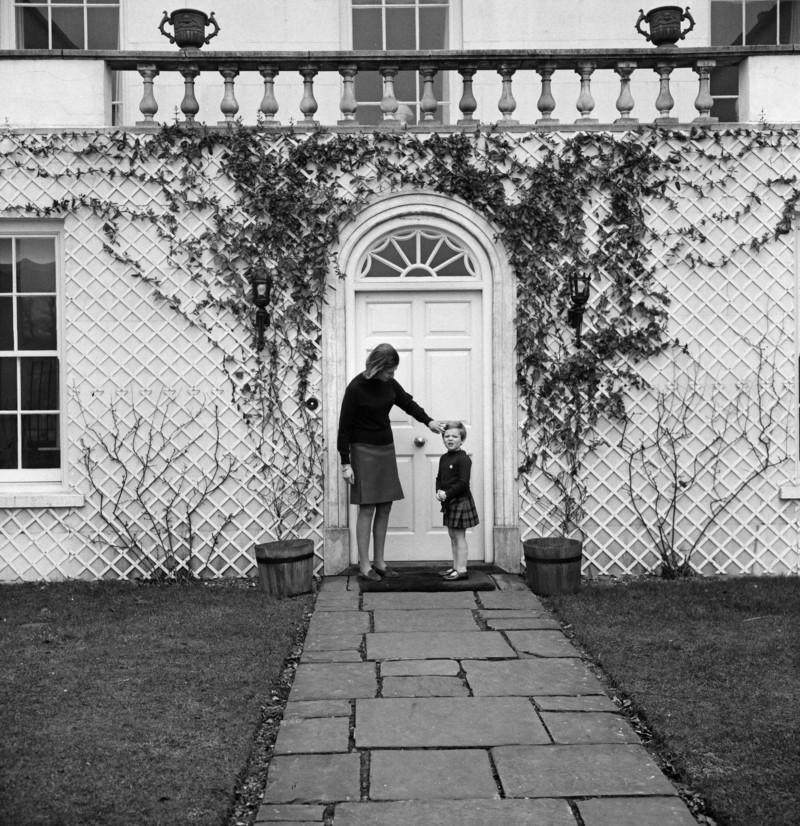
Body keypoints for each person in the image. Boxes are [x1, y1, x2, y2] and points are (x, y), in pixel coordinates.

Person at [338, 343, 444, 581]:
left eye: (393, 372)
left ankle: (380, 562)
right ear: (377, 367)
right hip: (363, 451)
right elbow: (344, 429)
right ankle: (364, 566)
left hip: (385, 448)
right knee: (367, 507)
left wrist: (429, 422)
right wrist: (346, 463)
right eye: (389, 371)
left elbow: (408, 404)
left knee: (385, 505)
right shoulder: (356, 388)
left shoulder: (390, 385)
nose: (391, 376)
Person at [436, 421, 479, 581]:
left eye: (455, 436)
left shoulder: (463, 459)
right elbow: (439, 478)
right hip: (449, 502)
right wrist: (438, 491)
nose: (450, 439)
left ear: (462, 439)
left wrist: (446, 494)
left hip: (461, 501)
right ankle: (455, 566)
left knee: (459, 536)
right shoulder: (443, 458)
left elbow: (463, 483)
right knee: (452, 534)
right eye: (447, 436)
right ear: (443, 438)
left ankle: (462, 570)